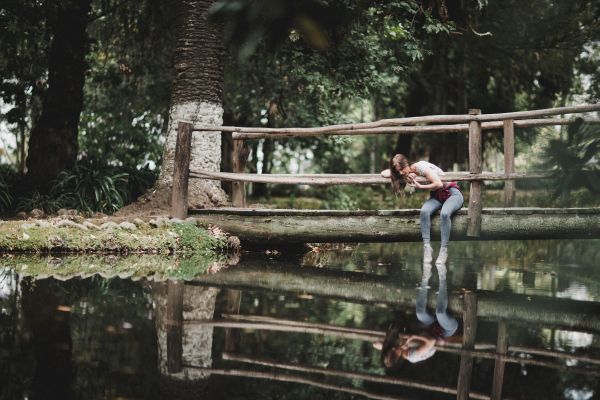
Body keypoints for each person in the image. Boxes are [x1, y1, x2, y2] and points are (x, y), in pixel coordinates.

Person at [381, 154, 463, 264]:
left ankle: (444, 250)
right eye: (398, 171)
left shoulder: (421, 167)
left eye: (401, 169)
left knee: (444, 214)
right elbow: (384, 173)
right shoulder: (408, 172)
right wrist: (394, 171)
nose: (400, 173)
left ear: (406, 164)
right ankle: (427, 248)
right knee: (424, 211)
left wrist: (421, 187)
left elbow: (438, 184)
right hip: (438, 197)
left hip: (453, 194)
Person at [375, 260, 458, 367]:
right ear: (398, 357)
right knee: (440, 312)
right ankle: (444, 277)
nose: (394, 348)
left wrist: (384, 348)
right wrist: (413, 337)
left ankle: (426, 276)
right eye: (394, 352)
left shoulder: (400, 347)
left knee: (420, 313)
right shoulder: (413, 356)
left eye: (391, 349)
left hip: (432, 326)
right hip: (445, 331)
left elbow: (375, 344)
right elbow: (431, 341)